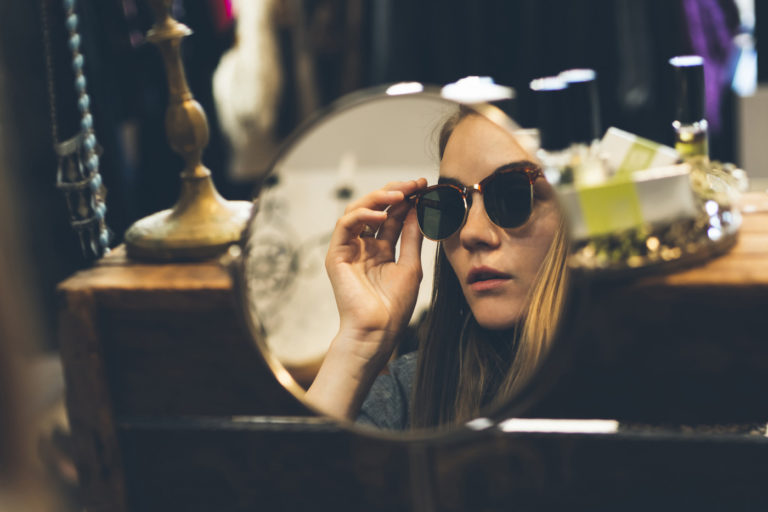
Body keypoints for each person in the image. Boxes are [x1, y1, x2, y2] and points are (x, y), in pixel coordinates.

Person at [305, 106, 569, 430]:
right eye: (451, 204)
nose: (470, 234)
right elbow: (291, 460)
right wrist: (360, 340)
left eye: (513, 197)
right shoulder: (412, 395)